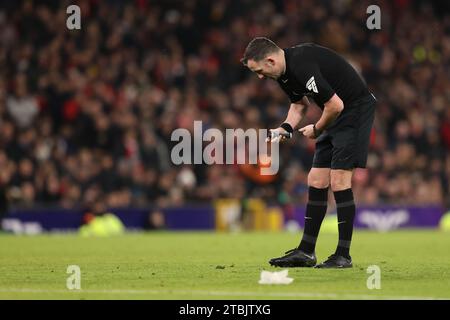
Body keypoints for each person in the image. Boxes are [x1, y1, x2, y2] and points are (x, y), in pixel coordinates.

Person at [241, 37, 376, 268]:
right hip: (335, 115)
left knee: (339, 180)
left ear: (271, 60)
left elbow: (336, 105)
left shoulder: (301, 64)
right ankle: (306, 252)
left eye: (260, 70)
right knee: (316, 179)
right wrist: (285, 127)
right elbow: (299, 104)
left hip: (355, 110)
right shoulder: (283, 74)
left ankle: (343, 255)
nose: (260, 77)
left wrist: (316, 128)